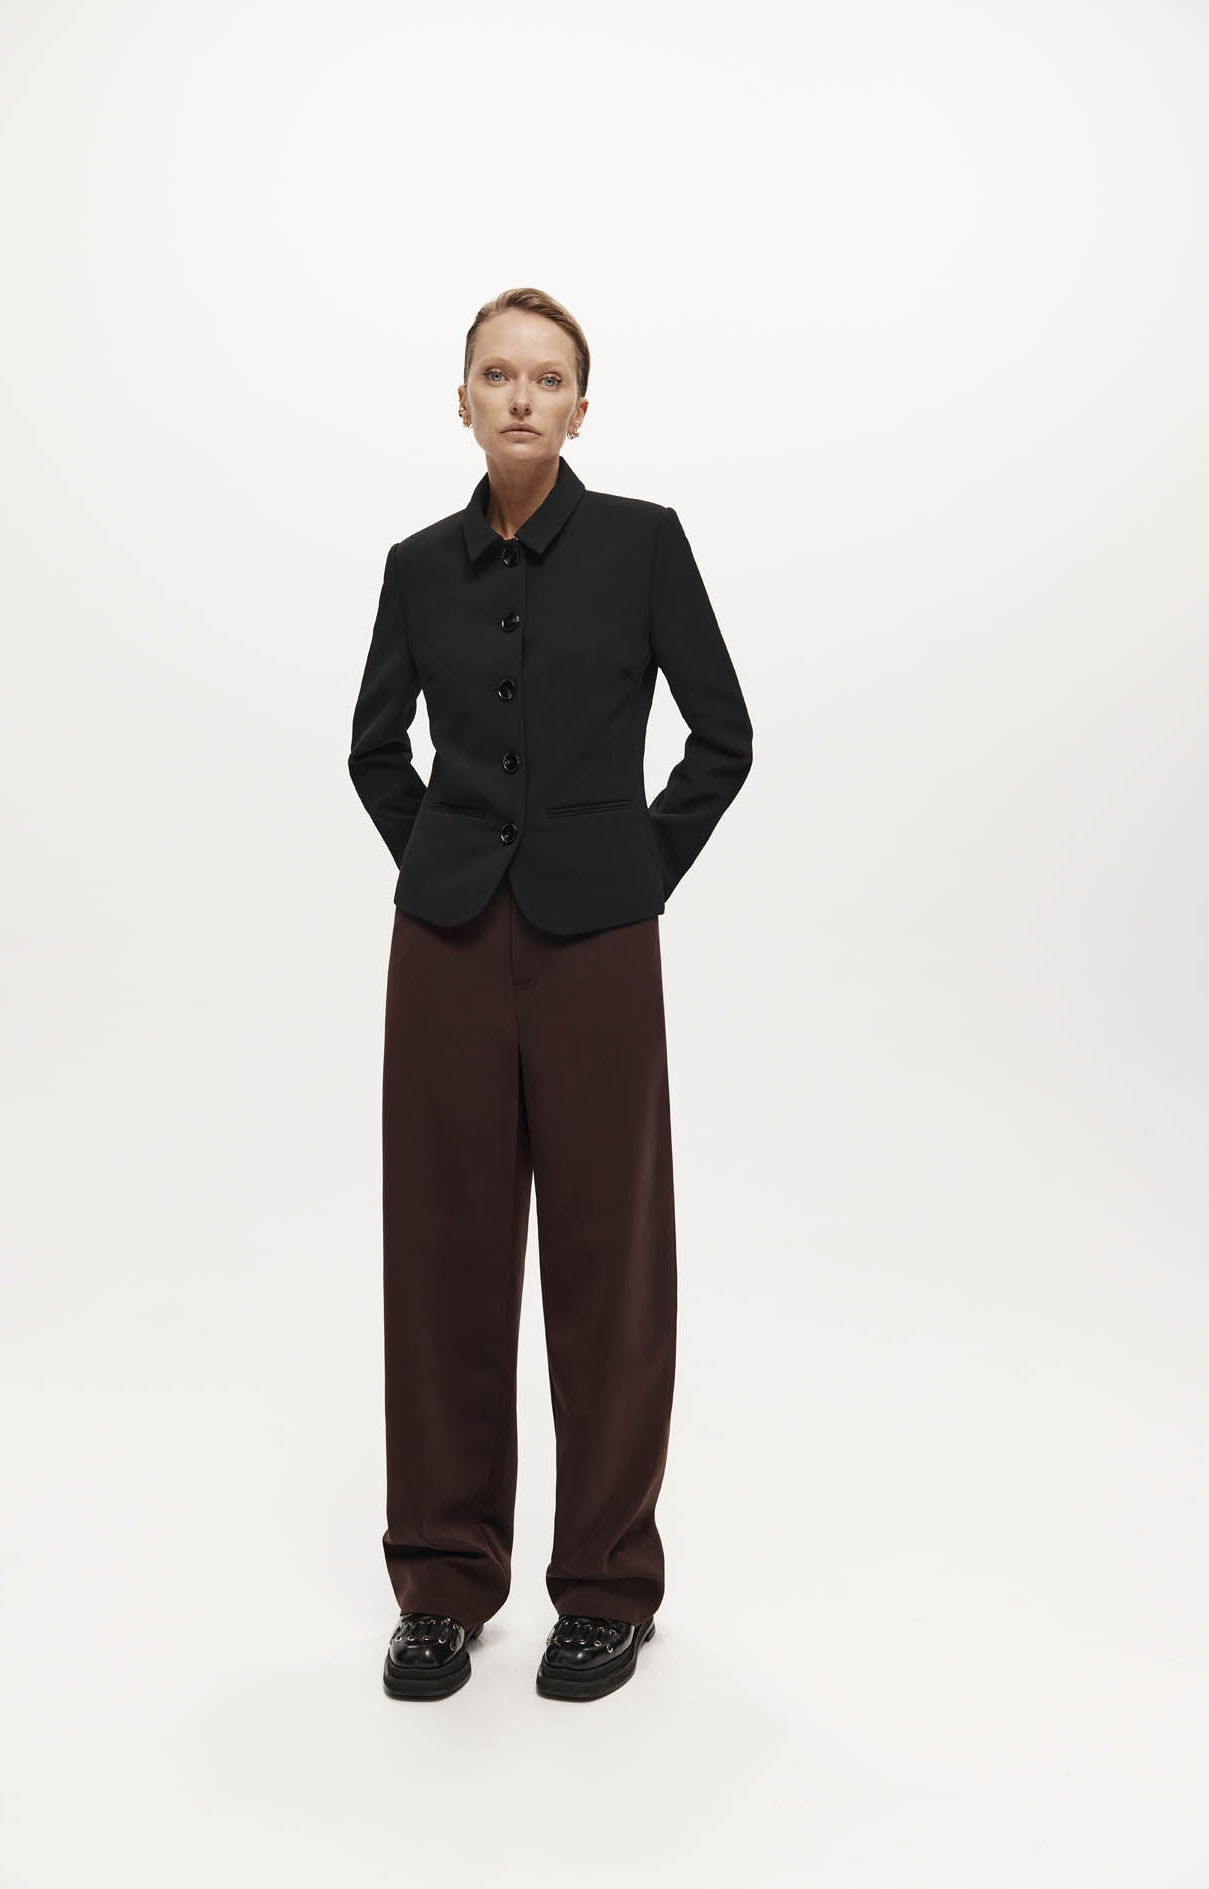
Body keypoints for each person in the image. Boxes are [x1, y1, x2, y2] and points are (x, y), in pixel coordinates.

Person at [347, 286, 753, 1702]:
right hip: (446, 948)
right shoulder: (416, 567)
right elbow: (374, 749)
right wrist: (446, 859)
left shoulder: (643, 545)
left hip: (599, 947)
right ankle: (442, 1583)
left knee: (608, 1262)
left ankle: (606, 1587)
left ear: (583, 406)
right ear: (461, 398)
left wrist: (634, 867)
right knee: (443, 1259)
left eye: (548, 378)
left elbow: (722, 735)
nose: (522, 397)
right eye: (497, 375)